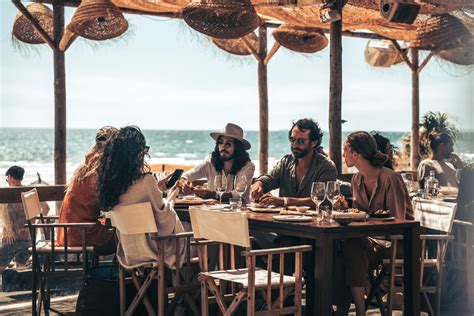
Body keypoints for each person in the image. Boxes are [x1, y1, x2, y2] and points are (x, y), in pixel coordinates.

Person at [335, 131, 413, 316]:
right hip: (372, 239)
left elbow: (398, 222)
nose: (342, 154)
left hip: (399, 242)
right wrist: (346, 208)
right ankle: (344, 310)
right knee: (338, 254)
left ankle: (355, 312)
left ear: (355, 154)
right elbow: (362, 213)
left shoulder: (390, 178)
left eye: (345, 150)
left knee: (351, 253)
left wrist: (364, 217)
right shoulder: (356, 179)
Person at [97, 126, 185, 269]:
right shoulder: (146, 181)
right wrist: (171, 197)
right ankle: (196, 288)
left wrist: (159, 189)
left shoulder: (110, 185)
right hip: (158, 250)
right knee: (199, 237)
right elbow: (164, 221)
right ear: (136, 154)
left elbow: (140, 199)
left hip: (130, 252)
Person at [57, 126, 118, 256]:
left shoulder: (87, 165)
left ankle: (117, 273)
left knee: (120, 233)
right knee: (125, 237)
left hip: (66, 232)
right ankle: (123, 274)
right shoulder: (100, 169)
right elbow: (107, 204)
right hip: (81, 233)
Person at [251, 118, 337, 207]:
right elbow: (270, 179)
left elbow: (323, 199)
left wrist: (284, 201)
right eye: (292, 140)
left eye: (301, 141)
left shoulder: (326, 167)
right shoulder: (285, 162)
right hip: (282, 219)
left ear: (314, 143)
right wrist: (259, 184)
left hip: (314, 220)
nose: (295, 145)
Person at [180, 123, 255, 204]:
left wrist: (212, 194)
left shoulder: (248, 166)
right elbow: (189, 174)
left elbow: (238, 194)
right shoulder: (211, 161)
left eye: (228, 144)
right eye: (220, 142)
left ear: (238, 148)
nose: (223, 147)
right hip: (212, 211)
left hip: (239, 212)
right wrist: (183, 181)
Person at [1, 166, 49, 270]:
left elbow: (2, 210)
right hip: (28, 238)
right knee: (22, 266)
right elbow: (46, 208)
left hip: (11, 238)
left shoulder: (7, 193)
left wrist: (9, 229)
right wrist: (37, 226)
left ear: (10, 177)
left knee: (1, 264)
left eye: (7, 179)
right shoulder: (29, 193)